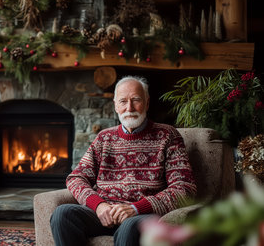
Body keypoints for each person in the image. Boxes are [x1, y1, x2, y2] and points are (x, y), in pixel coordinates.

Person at [50, 75, 197, 246]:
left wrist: (136, 208)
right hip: (105, 213)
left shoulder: (168, 136)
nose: (129, 107)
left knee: (129, 227)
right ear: (115, 106)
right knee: (62, 214)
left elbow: (184, 188)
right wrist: (99, 205)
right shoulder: (104, 138)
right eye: (123, 101)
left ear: (147, 103)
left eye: (136, 100)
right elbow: (76, 178)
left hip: (141, 216)